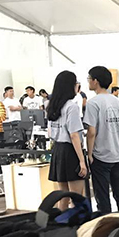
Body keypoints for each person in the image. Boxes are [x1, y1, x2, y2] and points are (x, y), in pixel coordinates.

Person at [84, 66, 119, 214]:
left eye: (89, 79)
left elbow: (91, 132)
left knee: (102, 195)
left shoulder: (93, 103)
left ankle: (104, 222)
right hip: (117, 153)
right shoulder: (118, 102)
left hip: (101, 155)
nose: (88, 81)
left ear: (95, 81)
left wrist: (90, 153)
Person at [46, 71, 88, 210]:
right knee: (77, 198)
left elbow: (50, 132)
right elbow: (74, 135)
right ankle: (76, 223)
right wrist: (82, 161)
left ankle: (60, 222)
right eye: (76, 83)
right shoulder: (71, 106)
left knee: (63, 196)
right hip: (71, 151)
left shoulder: (52, 106)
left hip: (57, 150)